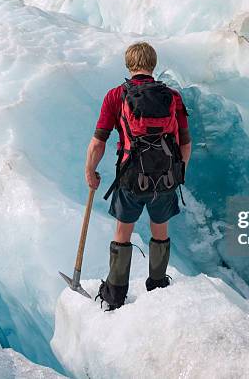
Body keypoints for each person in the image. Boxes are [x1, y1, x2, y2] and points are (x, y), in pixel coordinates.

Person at [84, 42, 192, 310]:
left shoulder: (115, 96)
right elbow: (185, 144)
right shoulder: (172, 96)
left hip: (131, 176)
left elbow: (99, 141)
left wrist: (90, 170)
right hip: (165, 177)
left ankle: (115, 295)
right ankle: (157, 286)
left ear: (129, 65)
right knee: (160, 230)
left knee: (123, 232)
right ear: (153, 65)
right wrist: (177, 172)